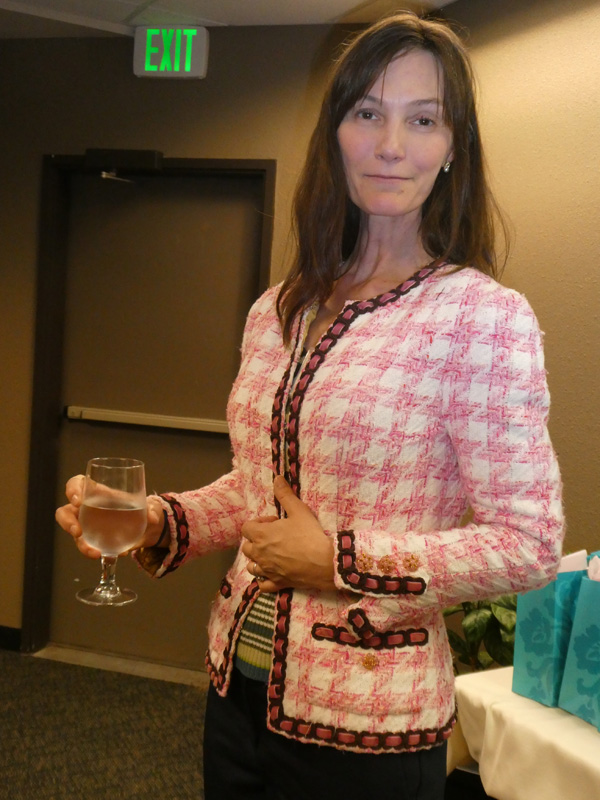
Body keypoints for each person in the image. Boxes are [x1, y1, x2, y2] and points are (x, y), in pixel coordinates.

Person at [56, 11, 564, 800]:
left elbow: (528, 545)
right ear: (335, 133)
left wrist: (338, 561)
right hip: (237, 694)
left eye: (422, 120)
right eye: (368, 113)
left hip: (371, 726)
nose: (391, 145)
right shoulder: (279, 309)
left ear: (453, 146)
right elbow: (258, 492)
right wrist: (159, 519)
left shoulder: (480, 317)